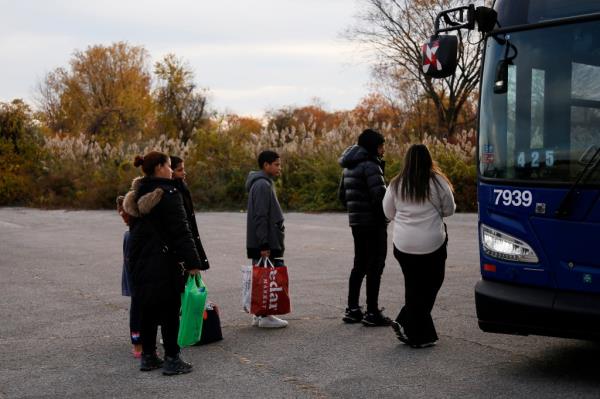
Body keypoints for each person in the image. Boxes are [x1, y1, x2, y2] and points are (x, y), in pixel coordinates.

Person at [123, 151, 202, 375]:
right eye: (168, 166)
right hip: (165, 260)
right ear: (159, 167)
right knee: (169, 310)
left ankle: (148, 356)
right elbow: (181, 231)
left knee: (147, 308)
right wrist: (192, 262)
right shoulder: (168, 193)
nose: (170, 170)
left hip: (139, 260)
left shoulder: (137, 192)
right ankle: (172, 358)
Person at [382, 144, 456, 348]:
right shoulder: (438, 181)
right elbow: (450, 209)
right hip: (433, 242)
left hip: (404, 244)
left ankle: (407, 322)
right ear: (428, 159)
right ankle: (417, 334)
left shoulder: (396, 184)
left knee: (414, 286)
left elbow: (387, 213)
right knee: (433, 282)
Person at [338, 129, 390, 326]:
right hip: (373, 224)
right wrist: (385, 218)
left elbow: (342, 196)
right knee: (375, 266)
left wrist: (355, 211)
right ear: (373, 146)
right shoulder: (370, 165)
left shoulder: (348, 166)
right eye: (381, 145)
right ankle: (372, 312)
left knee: (359, 264)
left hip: (357, 223)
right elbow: (380, 198)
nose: (383, 149)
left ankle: (352, 309)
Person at [245, 150, 288, 329]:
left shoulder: (262, 183)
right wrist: (264, 243)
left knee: (261, 276)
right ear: (266, 165)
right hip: (265, 240)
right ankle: (265, 315)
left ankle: (259, 313)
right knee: (265, 277)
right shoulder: (262, 185)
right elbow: (261, 216)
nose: (279, 168)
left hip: (265, 239)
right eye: (276, 164)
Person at [169, 156, 210, 271]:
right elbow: (181, 226)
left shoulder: (182, 188)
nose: (184, 172)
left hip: (188, 243)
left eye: (183, 169)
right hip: (179, 249)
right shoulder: (172, 192)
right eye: (180, 170)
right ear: (170, 171)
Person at [116, 195, 142, 359]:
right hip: (137, 281)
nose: (122, 217)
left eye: (124, 213)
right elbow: (129, 263)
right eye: (121, 213)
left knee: (141, 311)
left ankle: (140, 343)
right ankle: (138, 344)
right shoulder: (130, 236)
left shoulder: (133, 234)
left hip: (138, 280)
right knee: (138, 311)